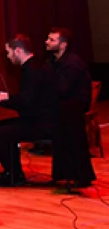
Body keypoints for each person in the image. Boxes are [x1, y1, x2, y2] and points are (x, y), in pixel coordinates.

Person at [0, 34, 60, 186]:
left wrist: (0, 102)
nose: (8, 56)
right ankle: (13, 172)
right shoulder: (36, 65)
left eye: (8, 52)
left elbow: (27, 102)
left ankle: (13, 174)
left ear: (18, 50)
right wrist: (4, 95)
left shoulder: (32, 70)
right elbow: (30, 95)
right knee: (2, 126)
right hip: (44, 118)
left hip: (42, 123)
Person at [45, 27, 95, 187]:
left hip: (74, 106)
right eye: (48, 38)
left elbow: (62, 89)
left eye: (52, 40)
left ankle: (80, 175)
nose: (47, 42)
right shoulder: (53, 62)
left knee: (71, 130)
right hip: (63, 106)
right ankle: (64, 173)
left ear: (63, 44)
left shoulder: (72, 63)